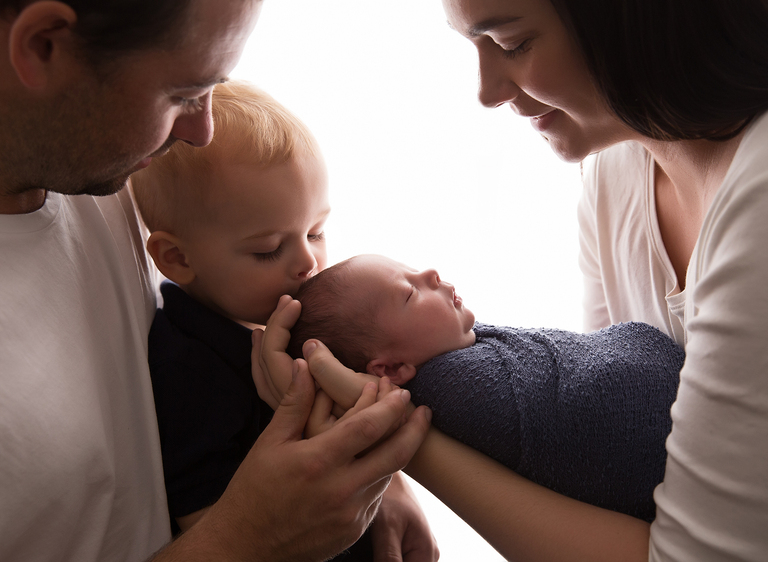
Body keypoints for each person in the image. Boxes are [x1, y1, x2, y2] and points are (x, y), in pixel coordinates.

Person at [254, 0, 768, 560]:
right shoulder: (613, 174)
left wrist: (392, 435)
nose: (487, 92)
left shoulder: (757, 202)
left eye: (512, 44)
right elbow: (601, 471)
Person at [0, 2, 431, 561]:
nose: (201, 131)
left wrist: (380, 482)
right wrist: (246, 538)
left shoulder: (104, 163)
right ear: (43, 46)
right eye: (182, 94)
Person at [130, 80, 436, 560]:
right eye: (268, 249)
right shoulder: (187, 367)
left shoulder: (292, 316)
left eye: (316, 231)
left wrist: (392, 482)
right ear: (177, 258)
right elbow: (208, 520)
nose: (308, 262)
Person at [266, 253, 683, 523]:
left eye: (414, 270)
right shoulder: (460, 394)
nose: (430, 273)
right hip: (667, 434)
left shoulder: (451, 356)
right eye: (410, 292)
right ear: (390, 368)